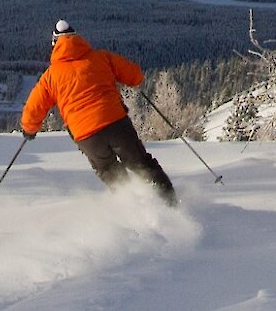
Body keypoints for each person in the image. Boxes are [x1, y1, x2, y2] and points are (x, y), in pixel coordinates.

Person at [21, 20, 177, 205]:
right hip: (115, 123)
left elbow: (34, 107)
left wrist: (29, 130)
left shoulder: (51, 76)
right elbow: (135, 74)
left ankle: (135, 208)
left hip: (86, 134)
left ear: (54, 44)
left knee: (109, 171)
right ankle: (171, 203)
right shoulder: (101, 57)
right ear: (78, 38)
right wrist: (133, 81)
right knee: (141, 163)